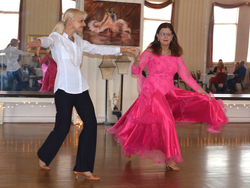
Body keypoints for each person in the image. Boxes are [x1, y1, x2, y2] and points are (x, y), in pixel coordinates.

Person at [25, 8, 139, 180]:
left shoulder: (79, 41)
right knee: (62, 128)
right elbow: (48, 40)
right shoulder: (57, 38)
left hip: (80, 88)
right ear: (70, 20)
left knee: (91, 124)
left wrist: (124, 50)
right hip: (64, 88)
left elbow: (98, 49)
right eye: (81, 21)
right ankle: (44, 155)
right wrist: (39, 42)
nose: (84, 24)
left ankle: (83, 167)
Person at [107, 23, 228, 171]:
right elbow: (135, 70)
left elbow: (185, 76)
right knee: (167, 120)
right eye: (162, 34)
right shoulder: (150, 52)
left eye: (168, 34)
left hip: (169, 91)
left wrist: (200, 90)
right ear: (157, 35)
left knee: (145, 123)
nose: (165, 37)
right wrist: (137, 60)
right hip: (152, 91)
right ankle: (170, 158)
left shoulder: (176, 54)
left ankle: (130, 145)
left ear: (172, 36)